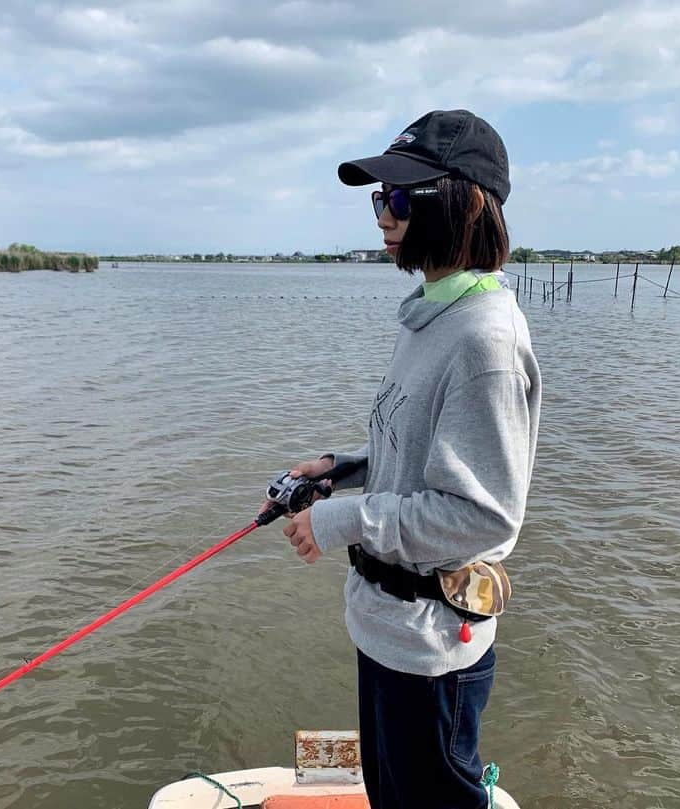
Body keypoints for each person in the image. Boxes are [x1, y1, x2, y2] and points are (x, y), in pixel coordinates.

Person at [268, 110, 540, 809]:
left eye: (397, 198)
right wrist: (342, 465)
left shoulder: (485, 342)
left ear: (461, 201)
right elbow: (417, 446)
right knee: (386, 793)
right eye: (376, 199)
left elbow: (479, 513)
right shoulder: (430, 314)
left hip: (431, 651)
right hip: (385, 629)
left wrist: (340, 520)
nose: (382, 217)